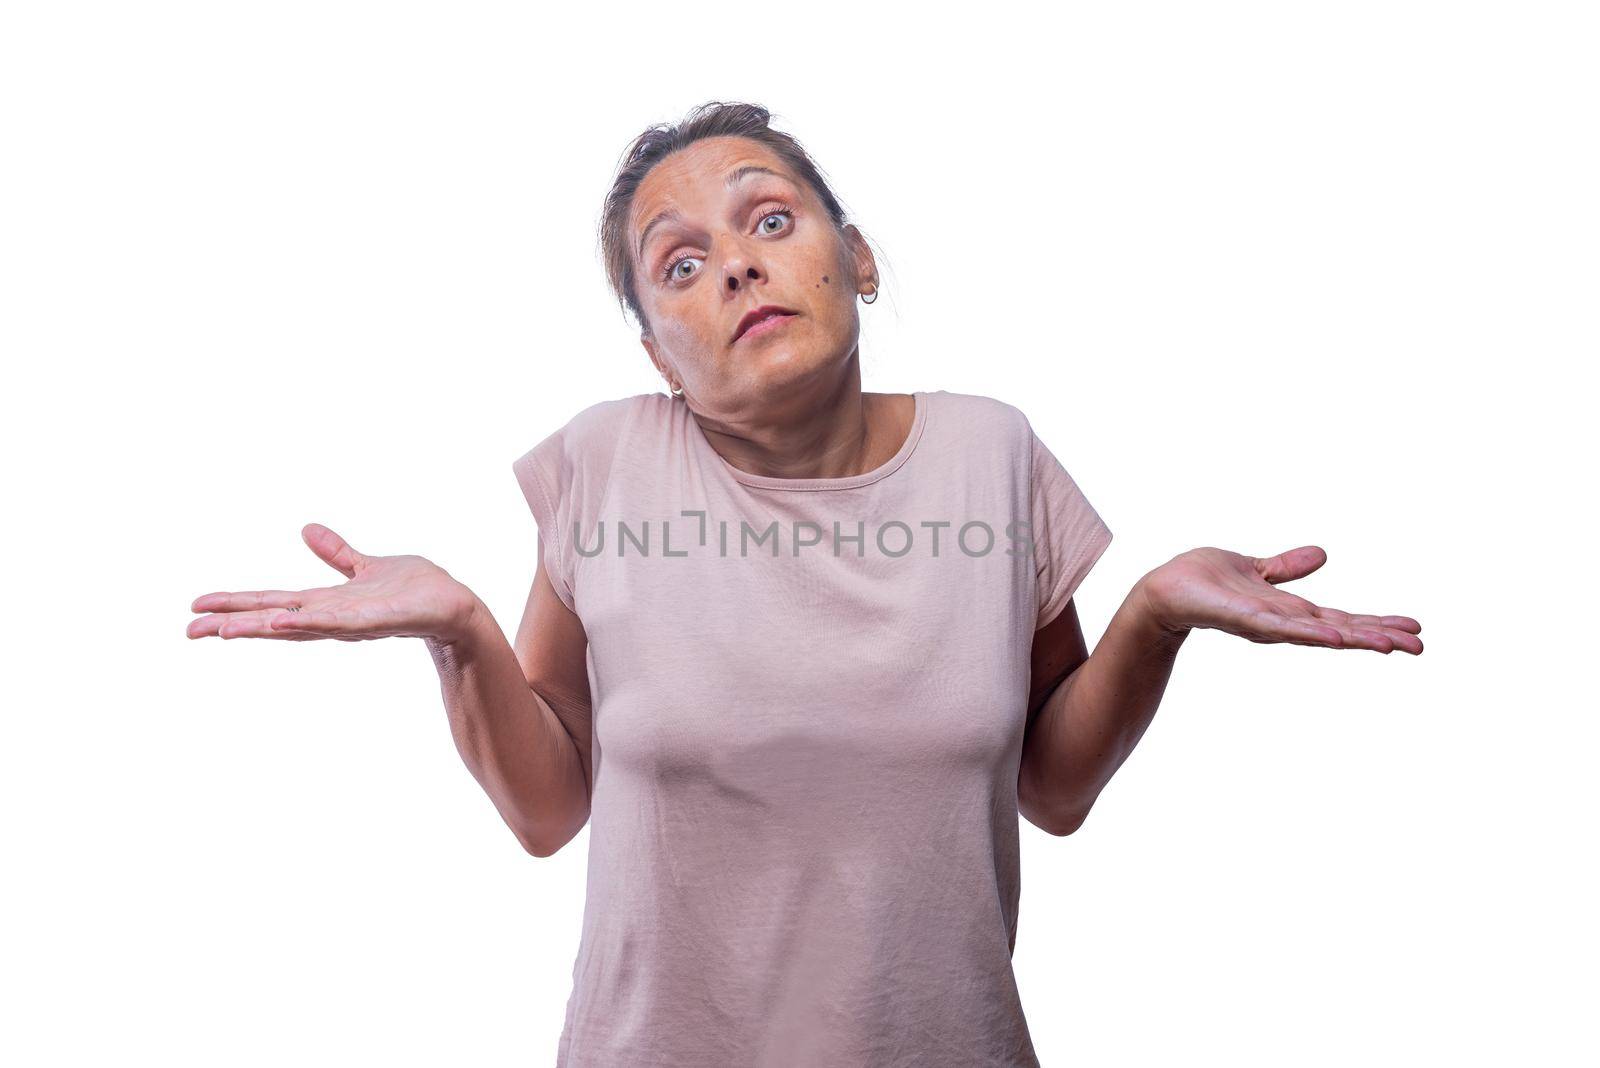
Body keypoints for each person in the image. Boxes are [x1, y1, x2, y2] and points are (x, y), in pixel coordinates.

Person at [186, 101, 1423, 1067]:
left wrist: (1152, 619)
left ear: (859, 258)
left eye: (768, 221)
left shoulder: (992, 455)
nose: (734, 266)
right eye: (679, 265)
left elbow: (1050, 787)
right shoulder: (603, 466)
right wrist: (458, 635)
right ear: (656, 354)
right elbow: (547, 809)